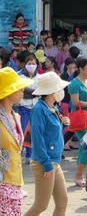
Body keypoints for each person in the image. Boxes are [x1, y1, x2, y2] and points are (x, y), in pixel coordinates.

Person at [25, 72, 71, 216]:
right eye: (58, 88)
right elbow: (38, 140)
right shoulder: (39, 109)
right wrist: (46, 164)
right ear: (52, 92)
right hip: (45, 163)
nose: (61, 91)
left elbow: (51, 132)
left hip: (53, 162)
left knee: (62, 202)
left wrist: (63, 123)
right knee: (40, 205)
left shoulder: (51, 107)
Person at [0, 67, 33, 215]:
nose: (22, 90)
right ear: (8, 93)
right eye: (18, 88)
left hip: (15, 181)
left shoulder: (16, 116)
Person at [68, 56, 87, 187]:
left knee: (85, 147)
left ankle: (80, 174)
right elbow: (75, 102)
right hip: (81, 119)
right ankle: (78, 175)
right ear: (80, 68)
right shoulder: (74, 83)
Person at [18, 54, 41, 164]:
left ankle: (29, 155)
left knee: (33, 131)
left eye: (33, 63)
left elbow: (41, 92)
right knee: (22, 131)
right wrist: (34, 92)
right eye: (29, 63)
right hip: (24, 107)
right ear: (25, 65)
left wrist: (29, 92)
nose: (31, 65)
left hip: (36, 108)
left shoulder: (40, 77)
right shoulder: (20, 77)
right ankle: (19, 152)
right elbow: (21, 92)